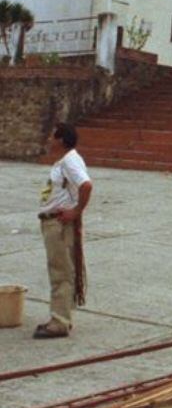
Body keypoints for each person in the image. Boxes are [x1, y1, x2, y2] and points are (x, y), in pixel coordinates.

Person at [36, 123, 91, 339]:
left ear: (61, 140)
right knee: (59, 269)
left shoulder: (70, 161)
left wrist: (76, 211)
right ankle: (60, 316)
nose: (50, 140)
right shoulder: (64, 161)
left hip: (59, 224)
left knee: (61, 271)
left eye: (53, 136)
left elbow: (86, 185)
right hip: (52, 221)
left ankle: (60, 321)